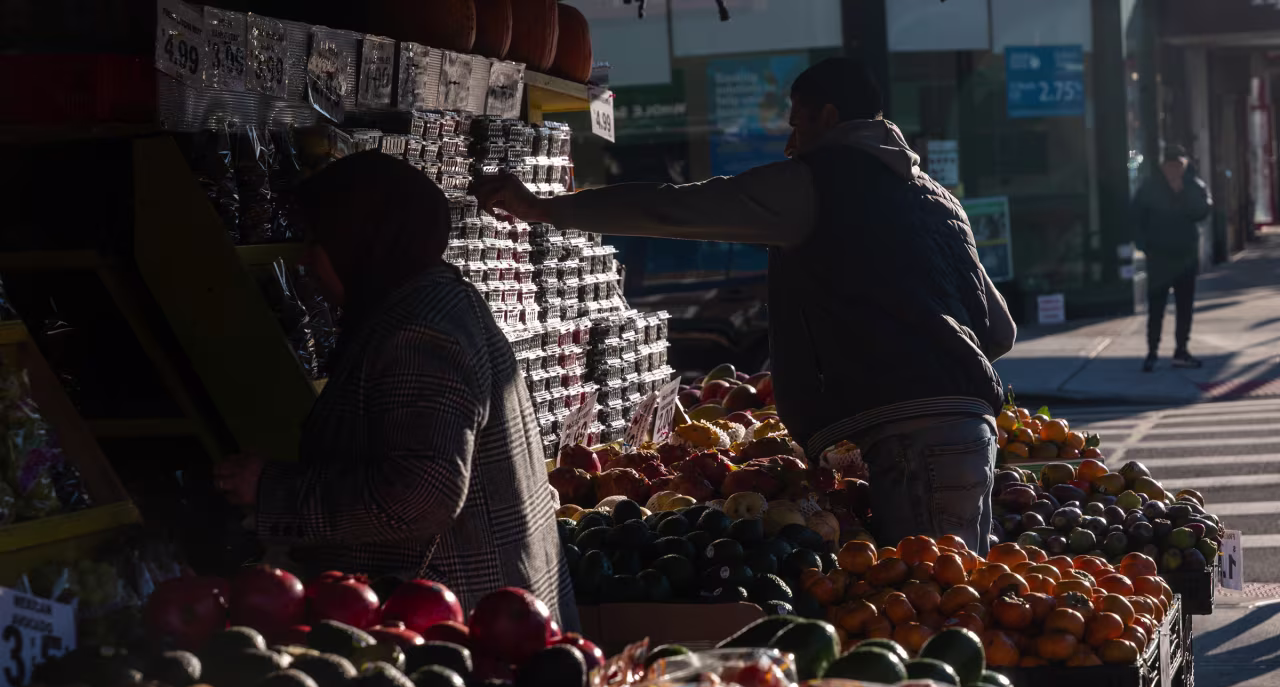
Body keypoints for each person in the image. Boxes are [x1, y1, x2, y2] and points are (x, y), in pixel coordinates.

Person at [473, 57, 1016, 553]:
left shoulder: (816, 183)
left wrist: (542, 207)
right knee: (950, 591)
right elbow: (999, 331)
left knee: (933, 603)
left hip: (911, 436)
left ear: (827, 116)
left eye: (796, 125)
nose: (789, 144)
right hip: (967, 429)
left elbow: (677, 209)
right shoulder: (939, 200)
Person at [214, 151, 577, 628]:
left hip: (458, 620)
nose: (306, 260)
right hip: (488, 609)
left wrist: (273, 490)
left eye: (317, 241)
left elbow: (422, 493)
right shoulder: (431, 302)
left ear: (359, 242)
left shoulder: (419, 332)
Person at [1132, 144, 1213, 372]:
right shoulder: (1150, 188)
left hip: (1185, 255)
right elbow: (1136, 217)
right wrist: (1144, 246)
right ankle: (1152, 352)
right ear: (1162, 167)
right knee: (1156, 307)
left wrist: (1184, 192)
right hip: (1158, 256)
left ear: (1185, 166)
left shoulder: (1193, 185)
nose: (1174, 170)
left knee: (1184, 306)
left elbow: (1202, 212)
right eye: (1170, 166)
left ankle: (1181, 351)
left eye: (1179, 165)